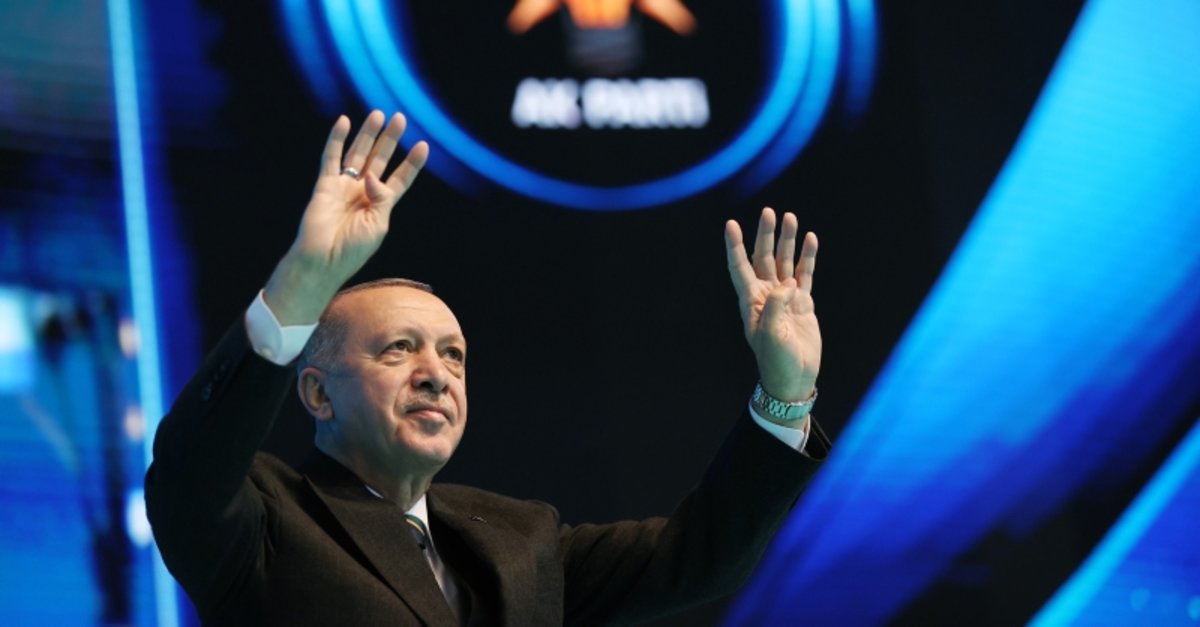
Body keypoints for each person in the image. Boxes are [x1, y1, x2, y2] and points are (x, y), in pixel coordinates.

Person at [145, 111, 832, 626]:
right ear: (318, 393)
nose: (435, 373)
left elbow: (700, 554)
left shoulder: (522, 539)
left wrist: (787, 393)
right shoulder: (263, 520)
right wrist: (303, 280)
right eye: (398, 348)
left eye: (453, 354)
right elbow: (190, 466)